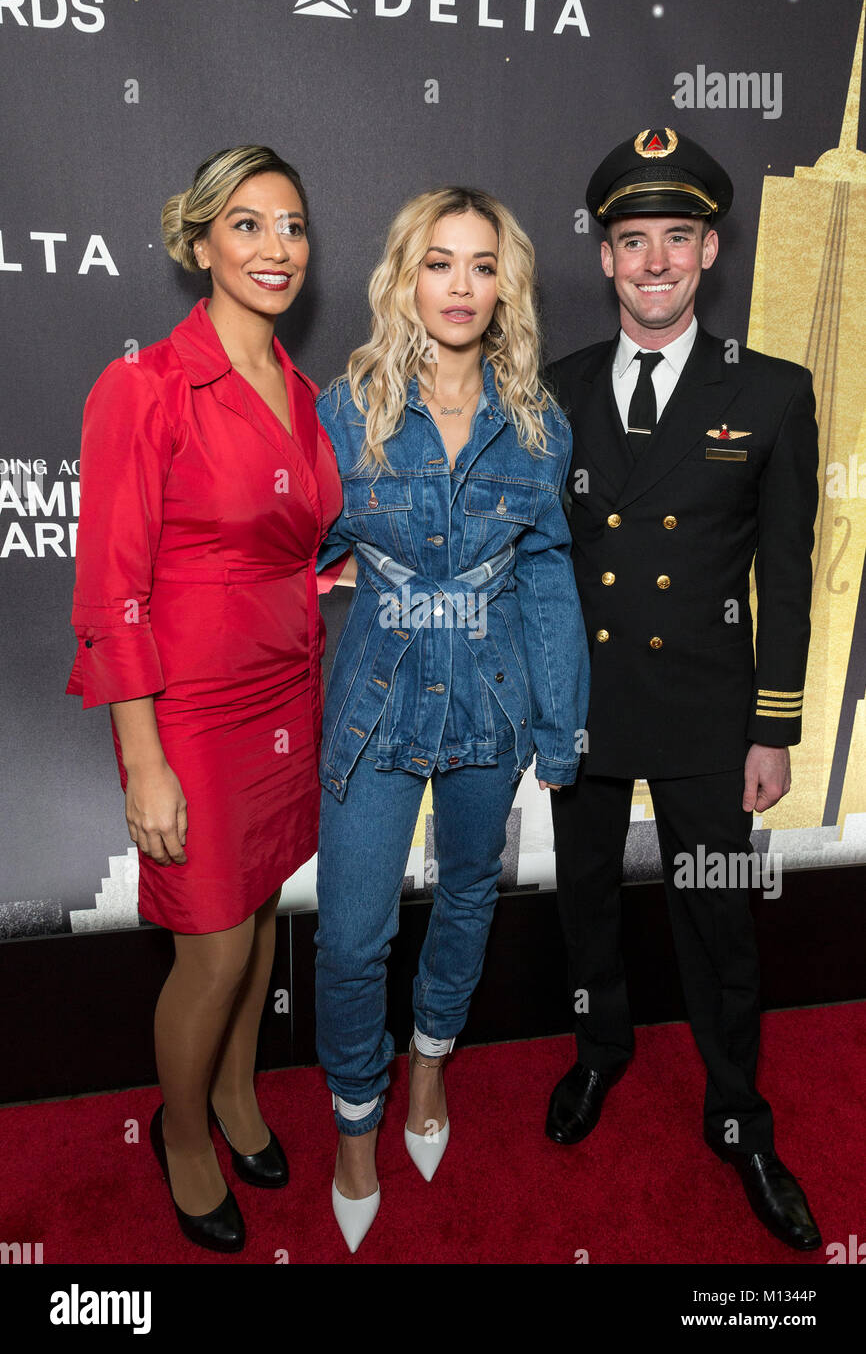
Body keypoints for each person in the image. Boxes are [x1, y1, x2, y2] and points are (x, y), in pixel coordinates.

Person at [544, 127, 821, 1252]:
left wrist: (774, 725)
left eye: (674, 238)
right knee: (583, 898)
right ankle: (598, 1048)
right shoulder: (550, 390)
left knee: (717, 918)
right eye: (629, 240)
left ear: (708, 249)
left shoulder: (768, 392)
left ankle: (735, 1112)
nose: (651, 261)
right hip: (586, 703)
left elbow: (786, 572)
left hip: (712, 716)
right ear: (604, 257)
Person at [65, 146, 343, 1253]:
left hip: (286, 687)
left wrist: (331, 577)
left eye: (292, 226)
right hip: (189, 708)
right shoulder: (143, 386)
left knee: (264, 912)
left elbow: (287, 543)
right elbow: (109, 588)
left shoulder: (304, 389)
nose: (276, 249)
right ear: (198, 245)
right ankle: (181, 1134)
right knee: (215, 948)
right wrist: (143, 761)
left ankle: (236, 1097)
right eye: (247, 225)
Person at [314, 186, 590, 1252]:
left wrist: (558, 724)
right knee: (350, 937)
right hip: (376, 703)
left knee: (469, 890)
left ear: (506, 286)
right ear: (404, 277)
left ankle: (430, 1057)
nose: (462, 285)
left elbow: (548, 579)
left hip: (489, 699)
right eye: (440, 262)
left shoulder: (537, 425)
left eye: (483, 265)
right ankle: (354, 1123)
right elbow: (287, 534)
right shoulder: (345, 409)